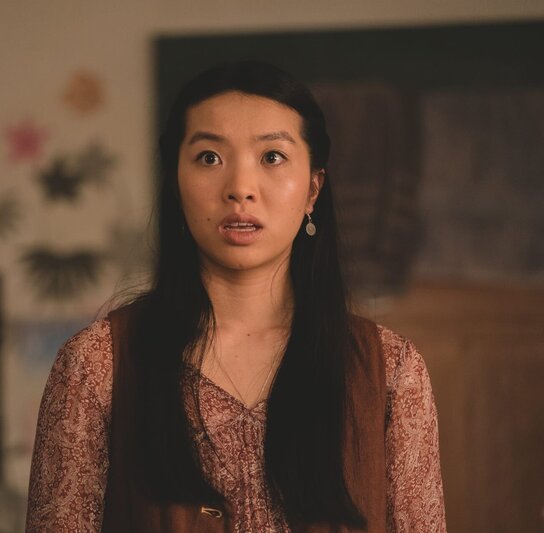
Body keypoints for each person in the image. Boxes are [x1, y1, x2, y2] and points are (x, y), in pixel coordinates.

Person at [25, 61, 446, 532]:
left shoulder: (391, 372)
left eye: (272, 157)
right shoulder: (96, 365)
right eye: (209, 157)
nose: (240, 189)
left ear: (313, 189)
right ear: (176, 183)